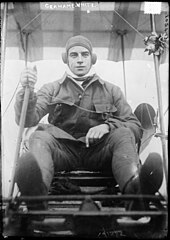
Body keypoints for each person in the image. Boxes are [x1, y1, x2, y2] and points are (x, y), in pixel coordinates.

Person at [14, 35, 163, 212]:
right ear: (66, 59)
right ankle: (36, 197)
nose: (79, 60)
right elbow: (27, 119)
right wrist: (27, 91)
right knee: (39, 136)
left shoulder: (111, 90)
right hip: (64, 152)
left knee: (123, 133)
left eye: (84, 55)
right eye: (74, 55)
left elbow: (135, 126)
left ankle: (136, 193)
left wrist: (108, 126)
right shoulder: (51, 88)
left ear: (92, 59)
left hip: (100, 152)